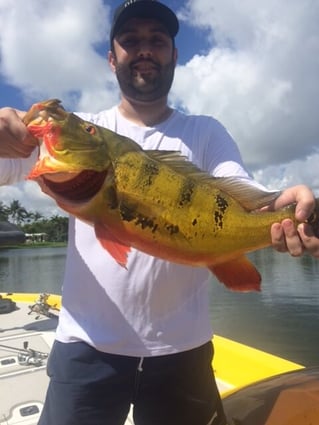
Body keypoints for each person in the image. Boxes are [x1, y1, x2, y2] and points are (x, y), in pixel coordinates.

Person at [0, 1, 318, 424]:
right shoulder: (83, 126)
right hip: (85, 349)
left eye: (157, 40)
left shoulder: (205, 131)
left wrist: (285, 207)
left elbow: (243, 188)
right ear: (112, 58)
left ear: (174, 55)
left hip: (182, 356)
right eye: (131, 41)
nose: (144, 49)